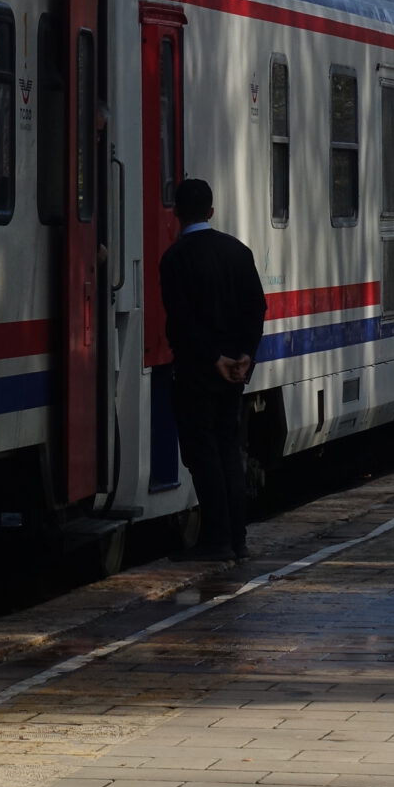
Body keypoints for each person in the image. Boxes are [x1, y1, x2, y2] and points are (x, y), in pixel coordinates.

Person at [158, 176, 267, 562]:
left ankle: (216, 540)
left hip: (197, 371)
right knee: (228, 449)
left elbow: (181, 321)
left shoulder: (174, 259)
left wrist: (212, 358)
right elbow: (257, 308)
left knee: (202, 454)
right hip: (234, 373)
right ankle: (237, 538)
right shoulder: (238, 251)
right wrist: (244, 356)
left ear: (176, 213)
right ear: (212, 211)